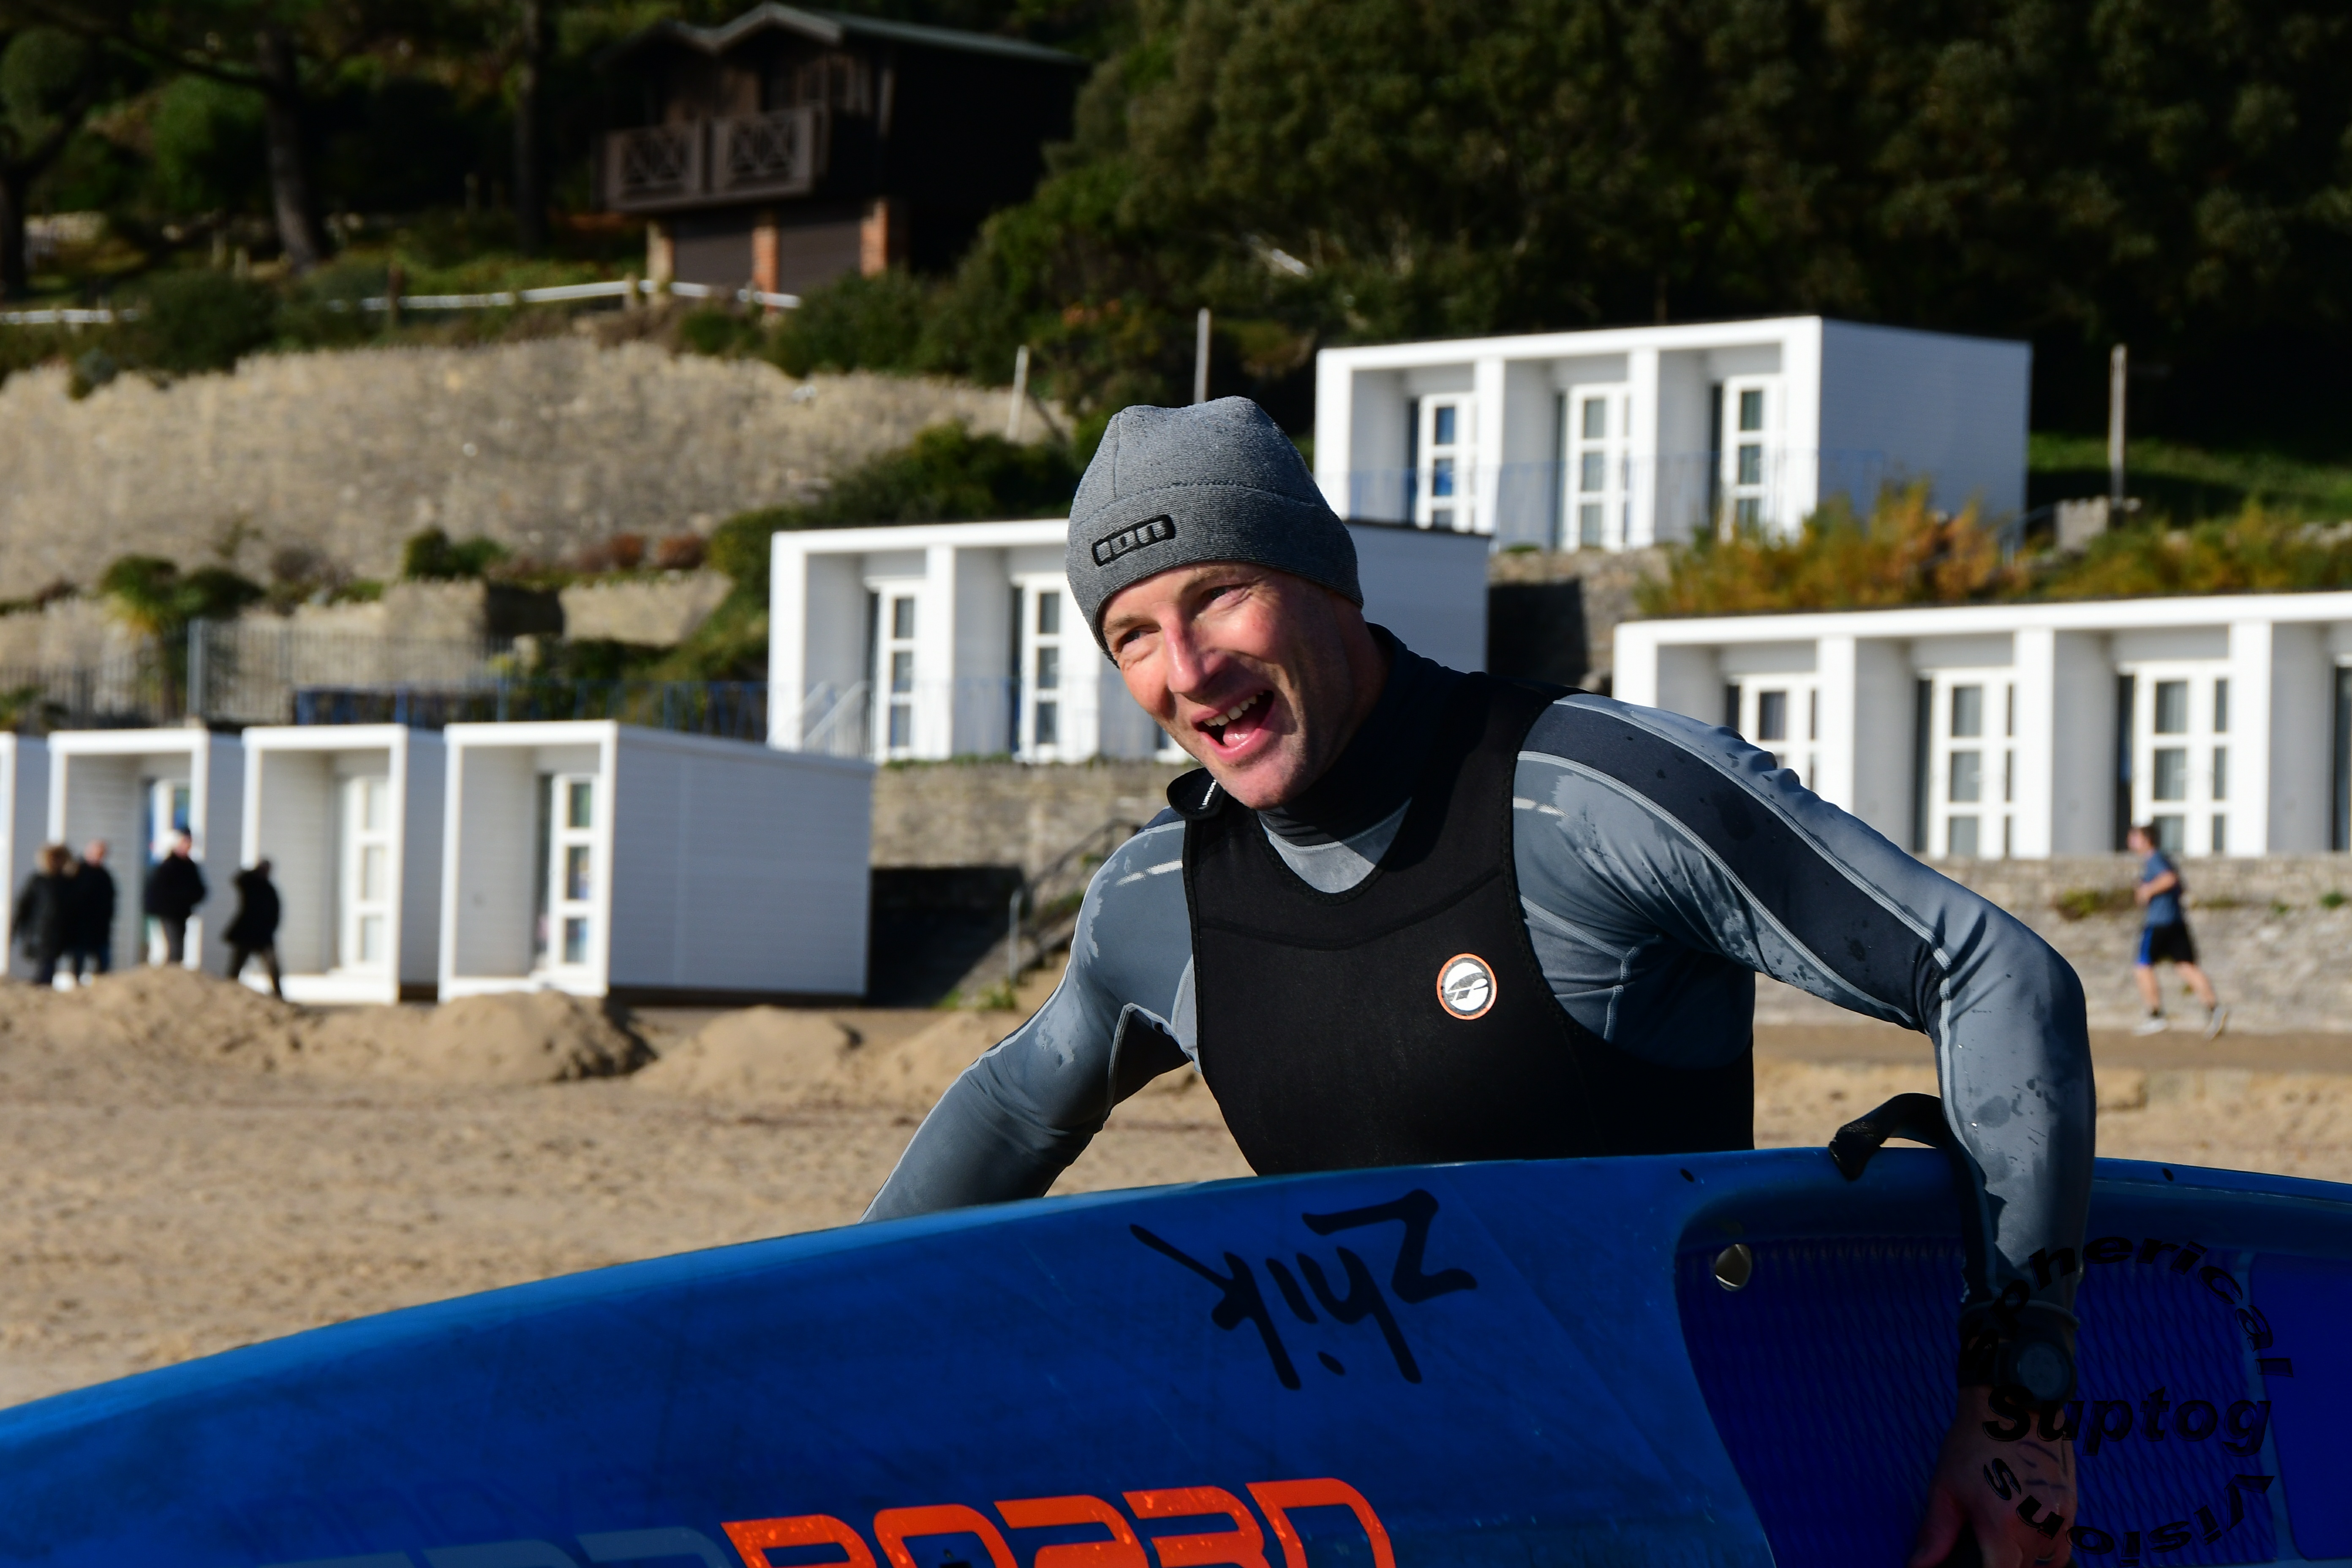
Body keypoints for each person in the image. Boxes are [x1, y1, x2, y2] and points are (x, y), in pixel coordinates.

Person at [863, 398, 2094, 1568]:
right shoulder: (1157, 899)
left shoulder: (1593, 796)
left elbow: (1986, 969)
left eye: (1218, 593)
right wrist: (813, 1329)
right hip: (1395, 1509)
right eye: (1131, 634)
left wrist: (2015, 1403)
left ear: (1326, 580)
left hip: (1686, 1499)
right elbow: (1014, 1106)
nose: (1184, 668)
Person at [2126, 824, 2225, 1037]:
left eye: (2134, 837)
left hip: (2159, 923)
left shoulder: (2154, 859)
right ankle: (2215, 1009)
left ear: (2146, 840)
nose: (2130, 841)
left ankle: (2155, 1016)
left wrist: (2147, 890)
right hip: (2176, 921)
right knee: (2185, 966)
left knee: (2142, 967)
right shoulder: (2160, 859)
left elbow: (2169, 879)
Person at [11, 843, 73, 986]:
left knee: (50, 963)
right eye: (54, 858)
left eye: (60, 858)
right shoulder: (38, 881)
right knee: (45, 963)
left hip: (61, 932)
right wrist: (16, 928)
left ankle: (43, 985)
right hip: (40, 931)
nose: (57, 862)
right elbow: (23, 906)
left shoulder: (67, 882)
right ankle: (41, 986)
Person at [223, 858, 284, 1000]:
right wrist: (253, 872)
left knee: (273, 967)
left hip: (264, 936)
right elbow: (238, 880)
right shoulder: (250, 884)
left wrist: (271, 929)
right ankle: (228, 991)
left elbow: (276, 913)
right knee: (237, 965)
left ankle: (278, 995)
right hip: (247, 933)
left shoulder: (270, 890)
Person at [143, 832, 207, 966]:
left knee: (179, 945)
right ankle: (171, 971)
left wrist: (190, 899)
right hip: (167, 912)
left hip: (182, 912)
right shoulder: (168, 866)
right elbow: (159, 891)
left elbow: (199, 890)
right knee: (174, 946)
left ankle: (175, 969)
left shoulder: (190, 866)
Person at [64, 838, 115, 982]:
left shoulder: (105, 875)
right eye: (97, 853)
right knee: (78, 961)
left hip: (100, 927)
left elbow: (110, 900)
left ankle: (101, 986)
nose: (99, 857)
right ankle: (76, 983)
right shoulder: (76, 872)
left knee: (104, 963)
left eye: (102, 854)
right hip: (80, 927)